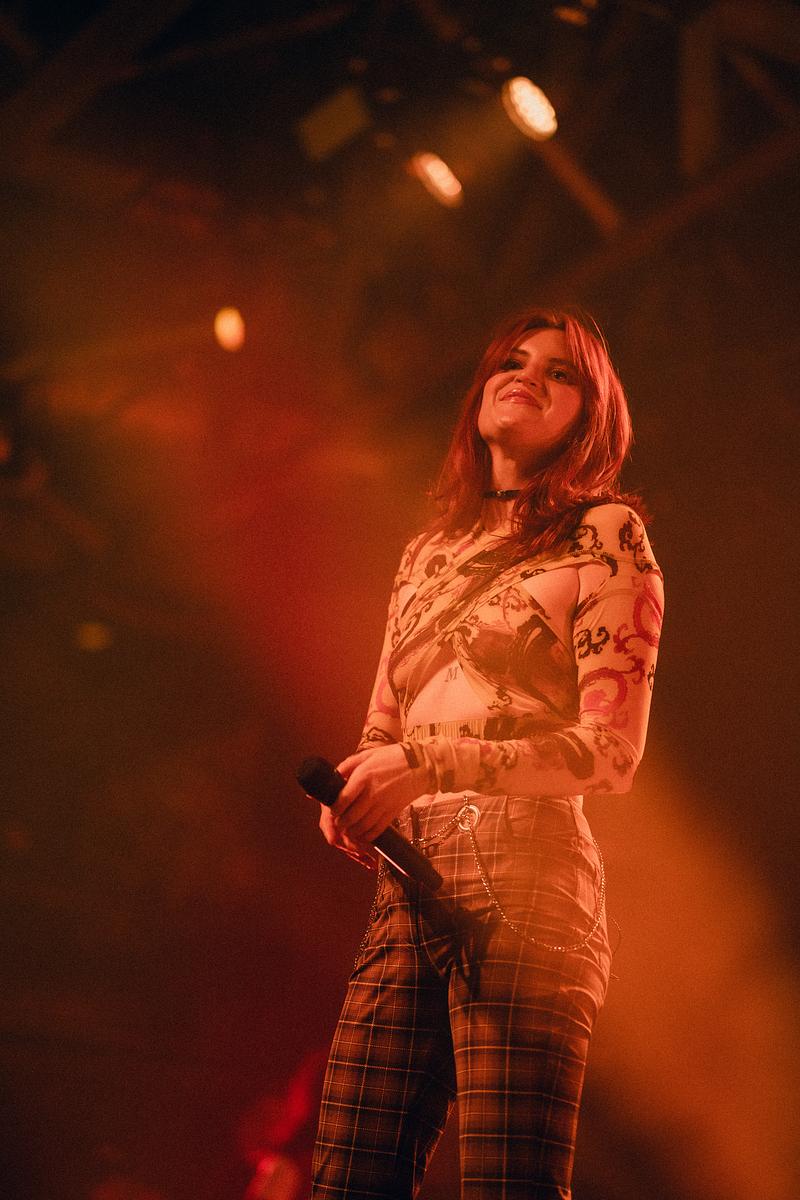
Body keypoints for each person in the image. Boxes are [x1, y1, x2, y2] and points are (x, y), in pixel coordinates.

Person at [310, 307, 664, 1199]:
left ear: (589, 416)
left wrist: (427, 764)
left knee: (509, 1182)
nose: (528, 375)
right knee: (347, 1178)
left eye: (560, 371)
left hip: (528, 868)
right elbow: (384, 722)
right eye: (513, 360)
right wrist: (356, 787)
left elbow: (610, 753)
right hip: (409, 874)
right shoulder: (426, 554)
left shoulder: (606, 532)